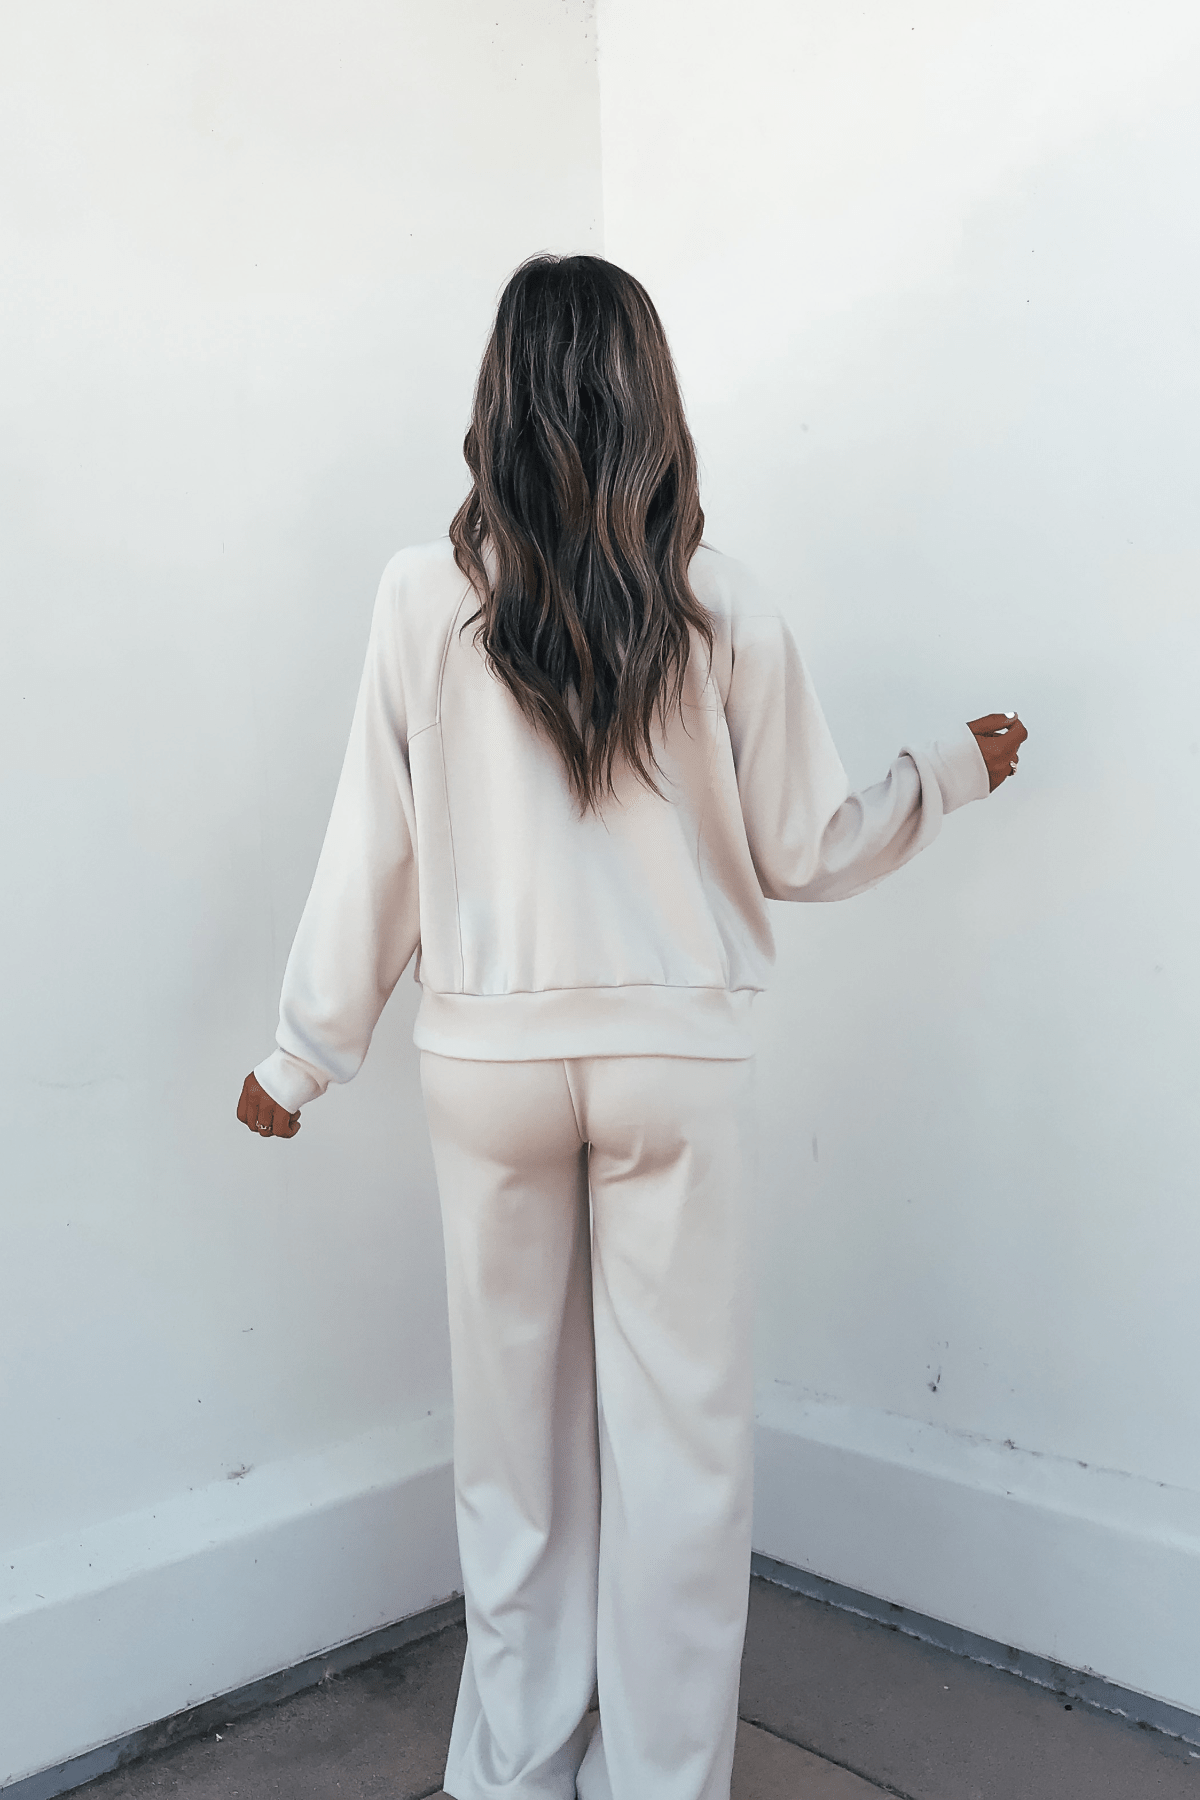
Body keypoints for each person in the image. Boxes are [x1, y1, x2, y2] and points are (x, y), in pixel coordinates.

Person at [237, 253, 1027, 1800]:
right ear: (650, 398)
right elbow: (806, 849)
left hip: (487, 1062)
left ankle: (512, 1770)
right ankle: (661, 1780)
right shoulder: (723, 602)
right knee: (682, 1453)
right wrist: (945, 772)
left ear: (500, 396)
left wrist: (300, 1053)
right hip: (677, 1063)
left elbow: (373, 846)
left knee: (512, 1451)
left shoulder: (422, 597)